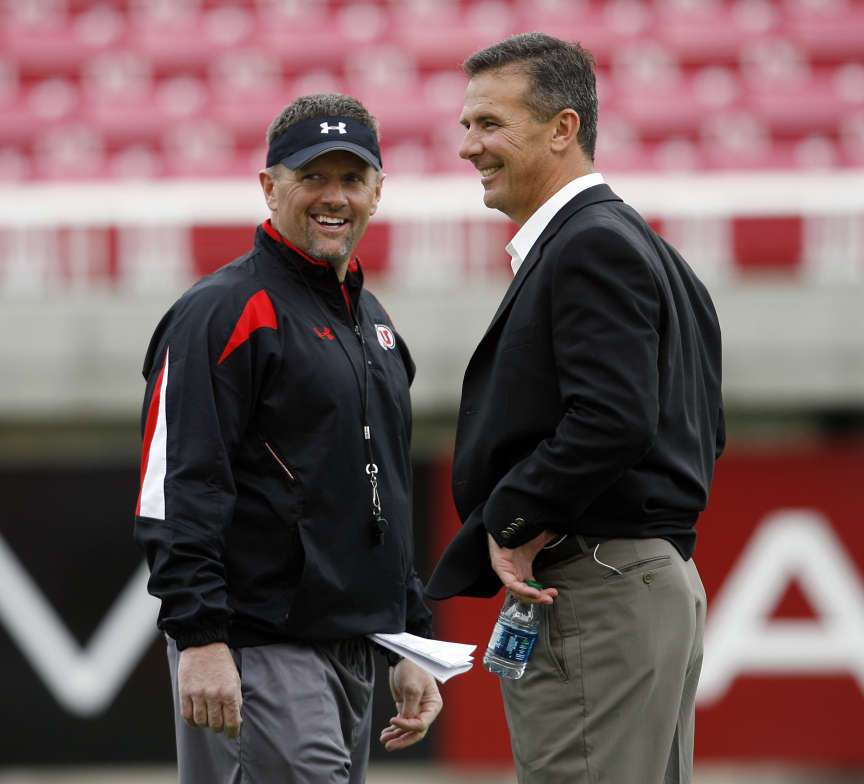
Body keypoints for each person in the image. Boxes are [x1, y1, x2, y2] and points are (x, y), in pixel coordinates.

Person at [426, 33, 724, 784]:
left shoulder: (590, 244)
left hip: (596, 586)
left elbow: (615, 419)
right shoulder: (643, 246)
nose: (469, 147)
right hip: (636, 582)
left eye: (489, 124)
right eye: (466, 126)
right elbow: (698, 427)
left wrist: (516, 520)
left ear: (563, 128)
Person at [134, 93, 442, 784]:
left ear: (378, 192)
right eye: (313, 177)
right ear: (269, 186)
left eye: (352, 179)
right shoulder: (221, 311)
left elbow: (382, 492)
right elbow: (177, 486)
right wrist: (201, 636)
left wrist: (410, 637)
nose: (334, 197)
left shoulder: (377, 324)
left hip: (353, 644)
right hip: (256, 642)